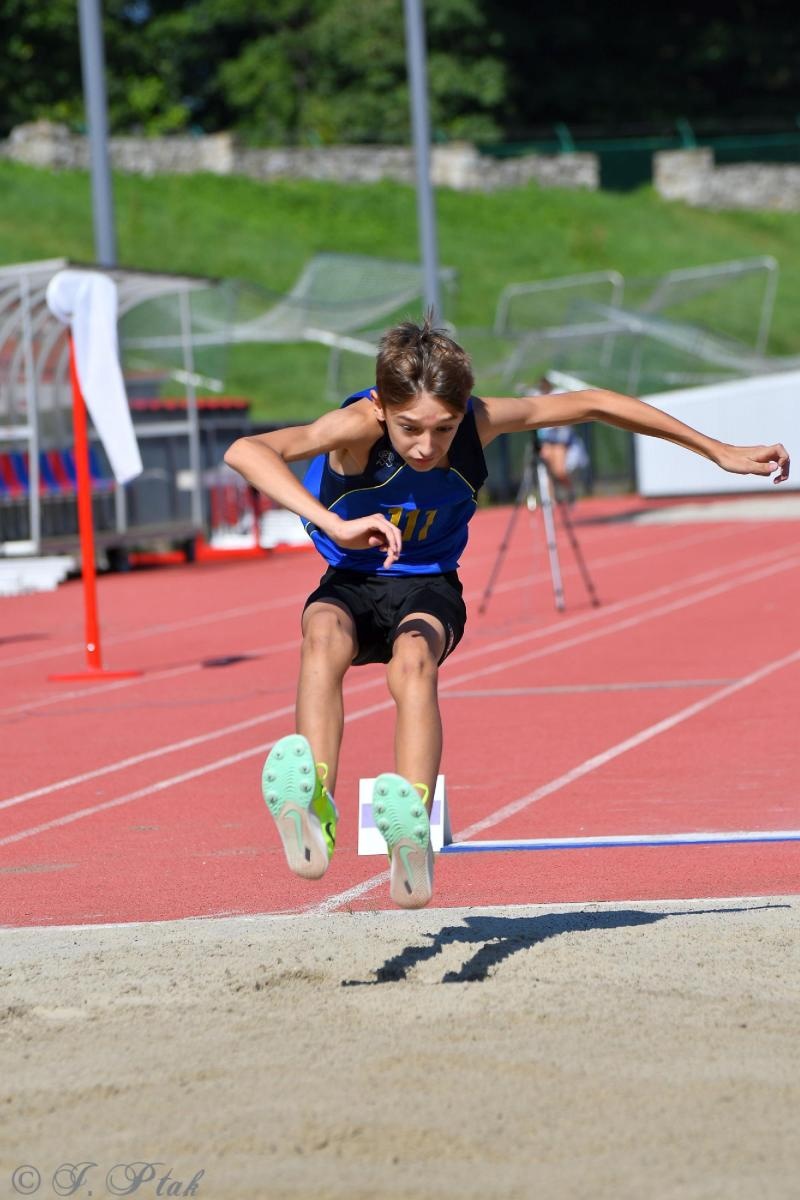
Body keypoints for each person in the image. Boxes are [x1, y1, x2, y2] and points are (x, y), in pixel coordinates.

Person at [224, 316, 789, 910]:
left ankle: (411, 827)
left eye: (442, 429)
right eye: (411, 428)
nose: (426, 446)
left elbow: (592, 403)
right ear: (381, 409)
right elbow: (247, 450)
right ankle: (315, 806)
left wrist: (718, 451)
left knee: (414, 659)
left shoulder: (479, 422)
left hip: (429, 586)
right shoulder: (352, 427)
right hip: (354, 580)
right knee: (322, 632)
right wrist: (333, 520)